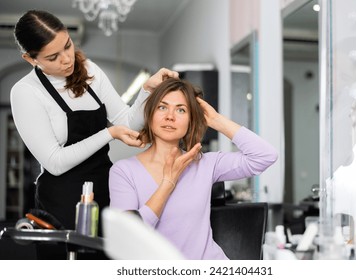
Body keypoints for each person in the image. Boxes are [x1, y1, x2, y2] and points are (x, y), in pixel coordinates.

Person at [10, 10, 178, 259]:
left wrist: (146, 90)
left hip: (105, 189)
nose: (67, 60)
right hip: (62, 201)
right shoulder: (25, 92)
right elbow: (54, 162)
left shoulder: (89, 69)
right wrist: (108, 133)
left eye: (67, 46)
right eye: (53, 57)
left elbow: (127, 122)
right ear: (30, 58)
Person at [108, 78, 278, 259]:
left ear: (190, 121)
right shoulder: (124, 171)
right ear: (150, 114)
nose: (170, 116)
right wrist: (168, 183)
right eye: (162, 107)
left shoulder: (205, 163)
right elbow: (126, 237)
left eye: (181, 110)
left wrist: (216, 120)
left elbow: (265, 156)